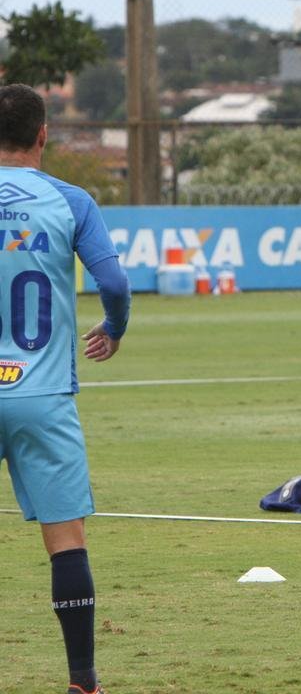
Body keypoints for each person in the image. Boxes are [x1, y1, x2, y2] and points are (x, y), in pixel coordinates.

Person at [0, 84, 131, 694]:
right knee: (66, 543)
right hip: (43, 394)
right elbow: (114, 283)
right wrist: (114, 328)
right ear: (43, 133)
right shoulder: (70, 200)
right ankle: (83, 682)